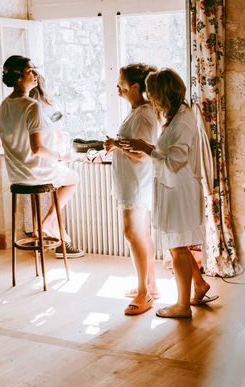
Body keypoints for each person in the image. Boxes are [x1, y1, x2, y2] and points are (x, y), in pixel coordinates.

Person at [120, 68, 217, 319]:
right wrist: (150, 148)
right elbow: (170, 154)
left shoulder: (183, 119)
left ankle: (182, 306)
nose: (149, 98)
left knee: (177, 249)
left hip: (180, 190)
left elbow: (175, 160)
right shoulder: (175, 117)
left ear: (163, 94)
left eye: (152, 93)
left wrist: (147, 148)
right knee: (179, 246)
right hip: (174, 188)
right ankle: (198, 286)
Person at [0, 55, 83, 258]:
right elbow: (37, 149)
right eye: (30, 71)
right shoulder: (31, 106)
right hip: (35, 171)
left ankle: (46, 228)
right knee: (74, 178)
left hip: (16, 174)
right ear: (18, 77)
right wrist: (61, 156)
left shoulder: (4, 105)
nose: (35, 74)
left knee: (59, 176)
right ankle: (48, 222)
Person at [104, 64, 160, 315]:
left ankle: (143, 292)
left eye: (121, 84)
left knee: (132, 233)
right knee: (141, 234)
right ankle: (151, 285)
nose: (118, 88)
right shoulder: (136, 110)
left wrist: (116, 144)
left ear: (135, 87)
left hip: (137, 183)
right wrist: (115, 145)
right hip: (131, 182)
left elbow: (142, 155)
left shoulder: (145, 113)